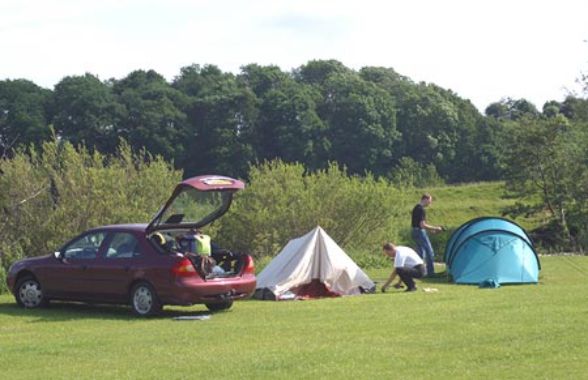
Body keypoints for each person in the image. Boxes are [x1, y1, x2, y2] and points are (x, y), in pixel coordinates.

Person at [411, 193, 443, 276]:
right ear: (425, 199)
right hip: (419, 232)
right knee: (429, 252)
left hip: (414, 231)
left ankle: (419, 272)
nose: (430, 203)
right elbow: (422, 225)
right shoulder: (421, 209)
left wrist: (429, 230)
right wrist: (436, 228)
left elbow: (418, 224)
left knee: (421, 253)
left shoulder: (416, 207)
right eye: (430, 201)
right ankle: (430, 272)